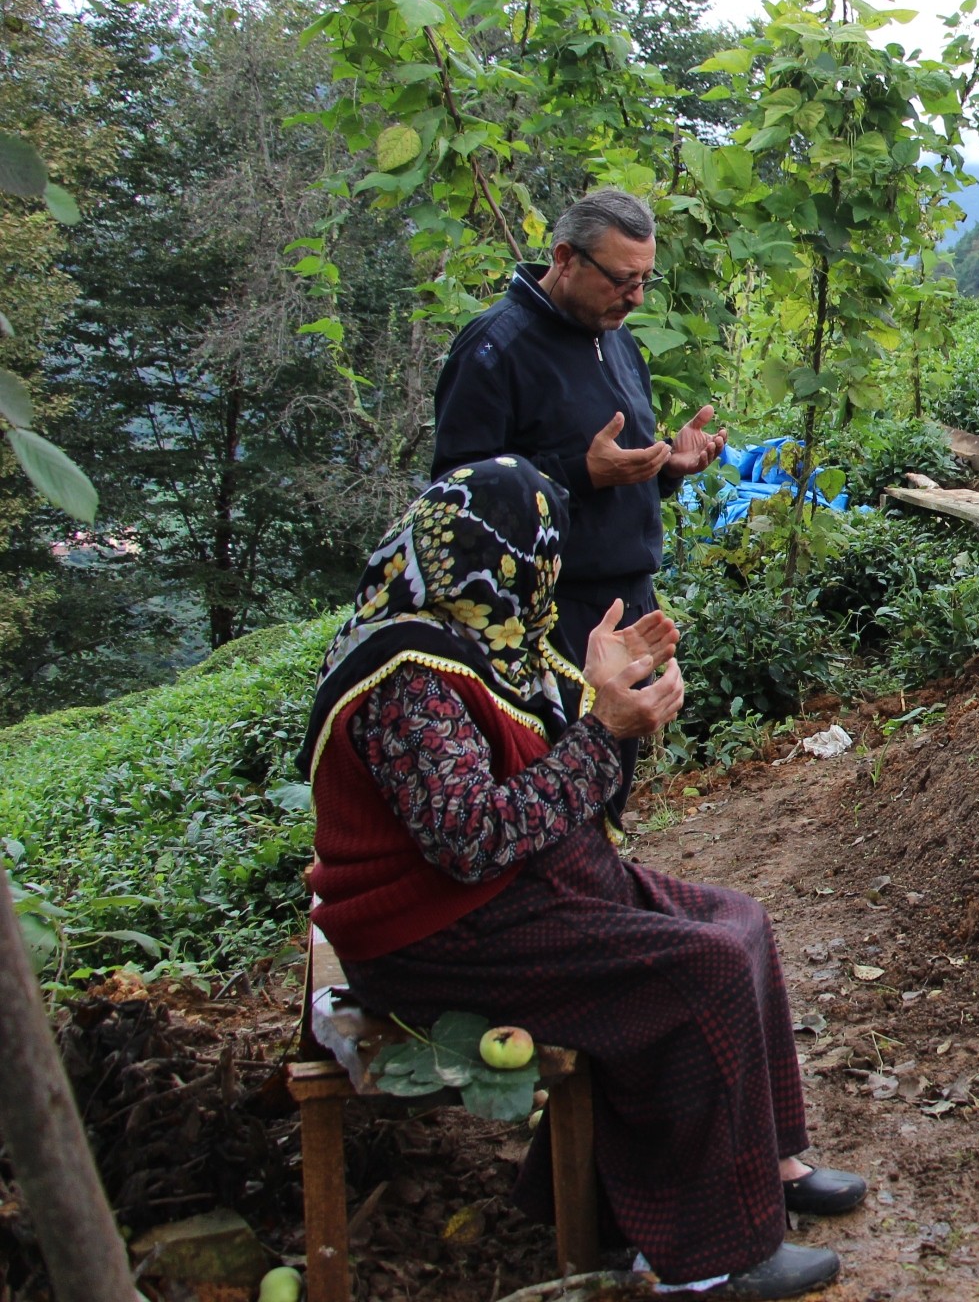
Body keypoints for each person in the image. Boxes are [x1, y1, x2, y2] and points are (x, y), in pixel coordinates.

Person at [301, 458, 862, 1298]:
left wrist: (607, 689)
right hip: (438, 935)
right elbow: (472, 840)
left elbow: (551, 765)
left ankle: (767, 1165)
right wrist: (606, 726)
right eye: (543, 553)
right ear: (507, 558)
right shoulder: (407, 675)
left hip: (519, 893)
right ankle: (703, 1260)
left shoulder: (478, 635)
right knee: (697, 970)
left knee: (738, 921)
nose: (549, 574)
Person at [433, 188, 727, 795]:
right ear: (565, 258)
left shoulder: (617, 339)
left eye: (646, 279)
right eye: (622, 280)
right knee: (556, 777)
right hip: (547, 614)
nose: (637, 298)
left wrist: (668, 467)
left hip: (626, 595)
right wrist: (579, 473)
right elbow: (454, 497)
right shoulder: (495, 350)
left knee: (612, 775)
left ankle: (601, 881)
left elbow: (618, 474)